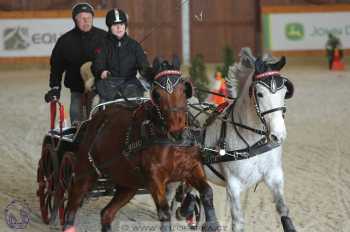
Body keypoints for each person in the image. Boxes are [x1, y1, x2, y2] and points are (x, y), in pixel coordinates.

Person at [44, 2, 107, 125]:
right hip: (77, 89)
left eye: (89, 18)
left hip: (101, 89)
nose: (86, 21)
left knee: (102, 118)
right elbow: (56, 67)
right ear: (75, 20)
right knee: (76, 117)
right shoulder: (65, 41)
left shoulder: (104, 37)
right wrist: (55, 88)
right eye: (82, 18)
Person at [91, 8, 149, 103]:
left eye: (121, 24)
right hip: (108, 84)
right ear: (109, 27)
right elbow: (97, 63)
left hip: (131, 84)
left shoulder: (134, 45)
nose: (119, 28)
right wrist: (101, 71)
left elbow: (143, 65)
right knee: (97, 102)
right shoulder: (102, 45)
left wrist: (146, 70)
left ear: (125, 26)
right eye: (115, 25)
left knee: (145, 102)